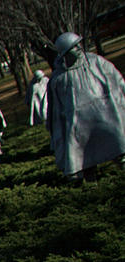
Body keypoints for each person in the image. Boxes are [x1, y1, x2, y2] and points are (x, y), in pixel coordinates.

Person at [47, 32, 125, 180]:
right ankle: (90, 179)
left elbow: (116, 80)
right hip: (79, 124)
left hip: (106, 115)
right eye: (74, 46)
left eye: (78, 44)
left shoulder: (96, 62)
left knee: (119, 143)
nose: (78, 48)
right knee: (85, 157)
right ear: (64, 52)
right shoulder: (58, 79)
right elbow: (55, 111)